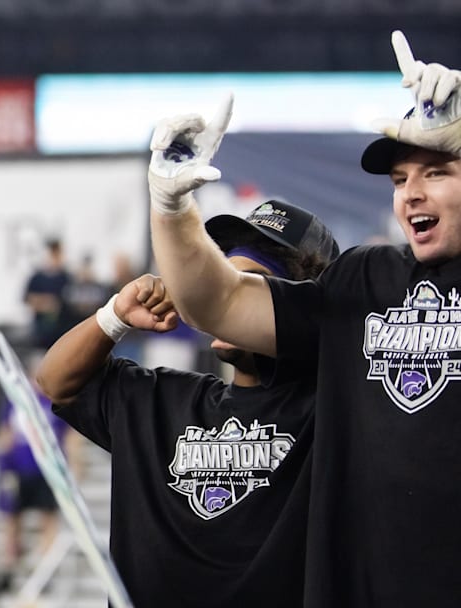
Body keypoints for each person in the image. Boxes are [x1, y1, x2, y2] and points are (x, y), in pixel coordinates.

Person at [144, 30, 461, 606]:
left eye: (436, 173)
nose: (411, 193)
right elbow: (217, 304)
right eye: (399, 180)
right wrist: (171, 209)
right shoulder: (364, 280)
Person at [36, 200, 338, 607]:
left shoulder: (338, 413)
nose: (219, 299)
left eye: (246, 287)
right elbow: (57, 382)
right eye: (218, 281)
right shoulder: (164, 401)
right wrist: (115, 316)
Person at [0, 362, 82, 599]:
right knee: (11, 521)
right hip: (18, 469)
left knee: (47, 520)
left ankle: (44, 571)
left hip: (47, 469)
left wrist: (74, 469)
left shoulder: (57, 403)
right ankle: (8, 569)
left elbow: (70, 438)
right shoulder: (17, 400)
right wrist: (1, 467)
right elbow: (6, 434)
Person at [23, 239, 73, 351]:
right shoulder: (37, 278)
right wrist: (47, 303)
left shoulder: (67, 277)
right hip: (40, 334)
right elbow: (28, 299)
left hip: (62, 334)